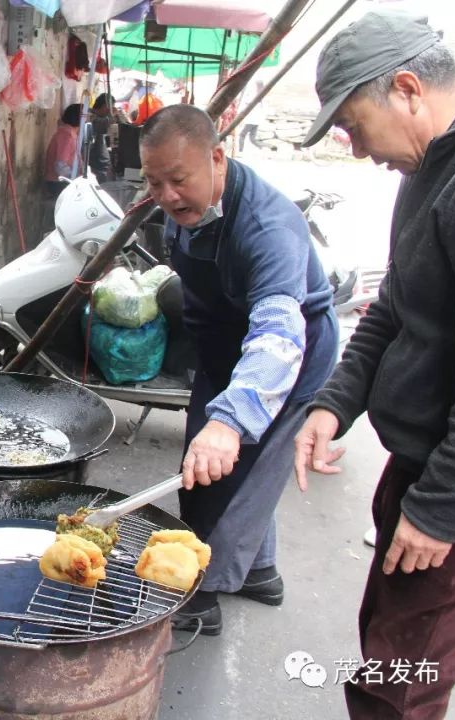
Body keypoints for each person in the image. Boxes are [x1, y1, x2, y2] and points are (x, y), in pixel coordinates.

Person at [295, 10, 455, 719]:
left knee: (396, 687)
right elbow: (394, 310)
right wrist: (333, 402)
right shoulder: (429, 173)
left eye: (354, 125)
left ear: (406, 89)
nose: (359, 151)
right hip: (419, 469)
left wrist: (435, 513)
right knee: (385, 651)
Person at [138, 105, 339, 635]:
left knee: (222, 475)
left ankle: (198, 594)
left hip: (286, 359)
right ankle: (260, 573)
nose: (166, 195)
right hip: (224, 348)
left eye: (178, 180)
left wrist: (230, 421)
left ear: (217, 158)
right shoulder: (182, 208)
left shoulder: (269, 226)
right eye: (153, 182)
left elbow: (277, 331)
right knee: (220, 466)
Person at [44, 104, 82, 197]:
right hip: (59, 183)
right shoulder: (66, 136)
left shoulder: (71, 133)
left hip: (62, 182)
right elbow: (60, 165)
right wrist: (75, 179)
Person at [88, 93, 114, 183]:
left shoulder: (101, 118)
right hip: (91, 163)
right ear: (104, 106)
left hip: (98, 161)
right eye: (110, 108)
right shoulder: (89, 114)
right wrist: (112, 117)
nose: (110, 111)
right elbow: (99, 124)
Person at [238, 80, 269, 153]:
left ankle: (240, 151)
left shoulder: (256, 96)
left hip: (252, 120)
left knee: (242, 135)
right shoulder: (262, 96)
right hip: (257, 121)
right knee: (252, 139)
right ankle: (264, 147)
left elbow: (247, 103)